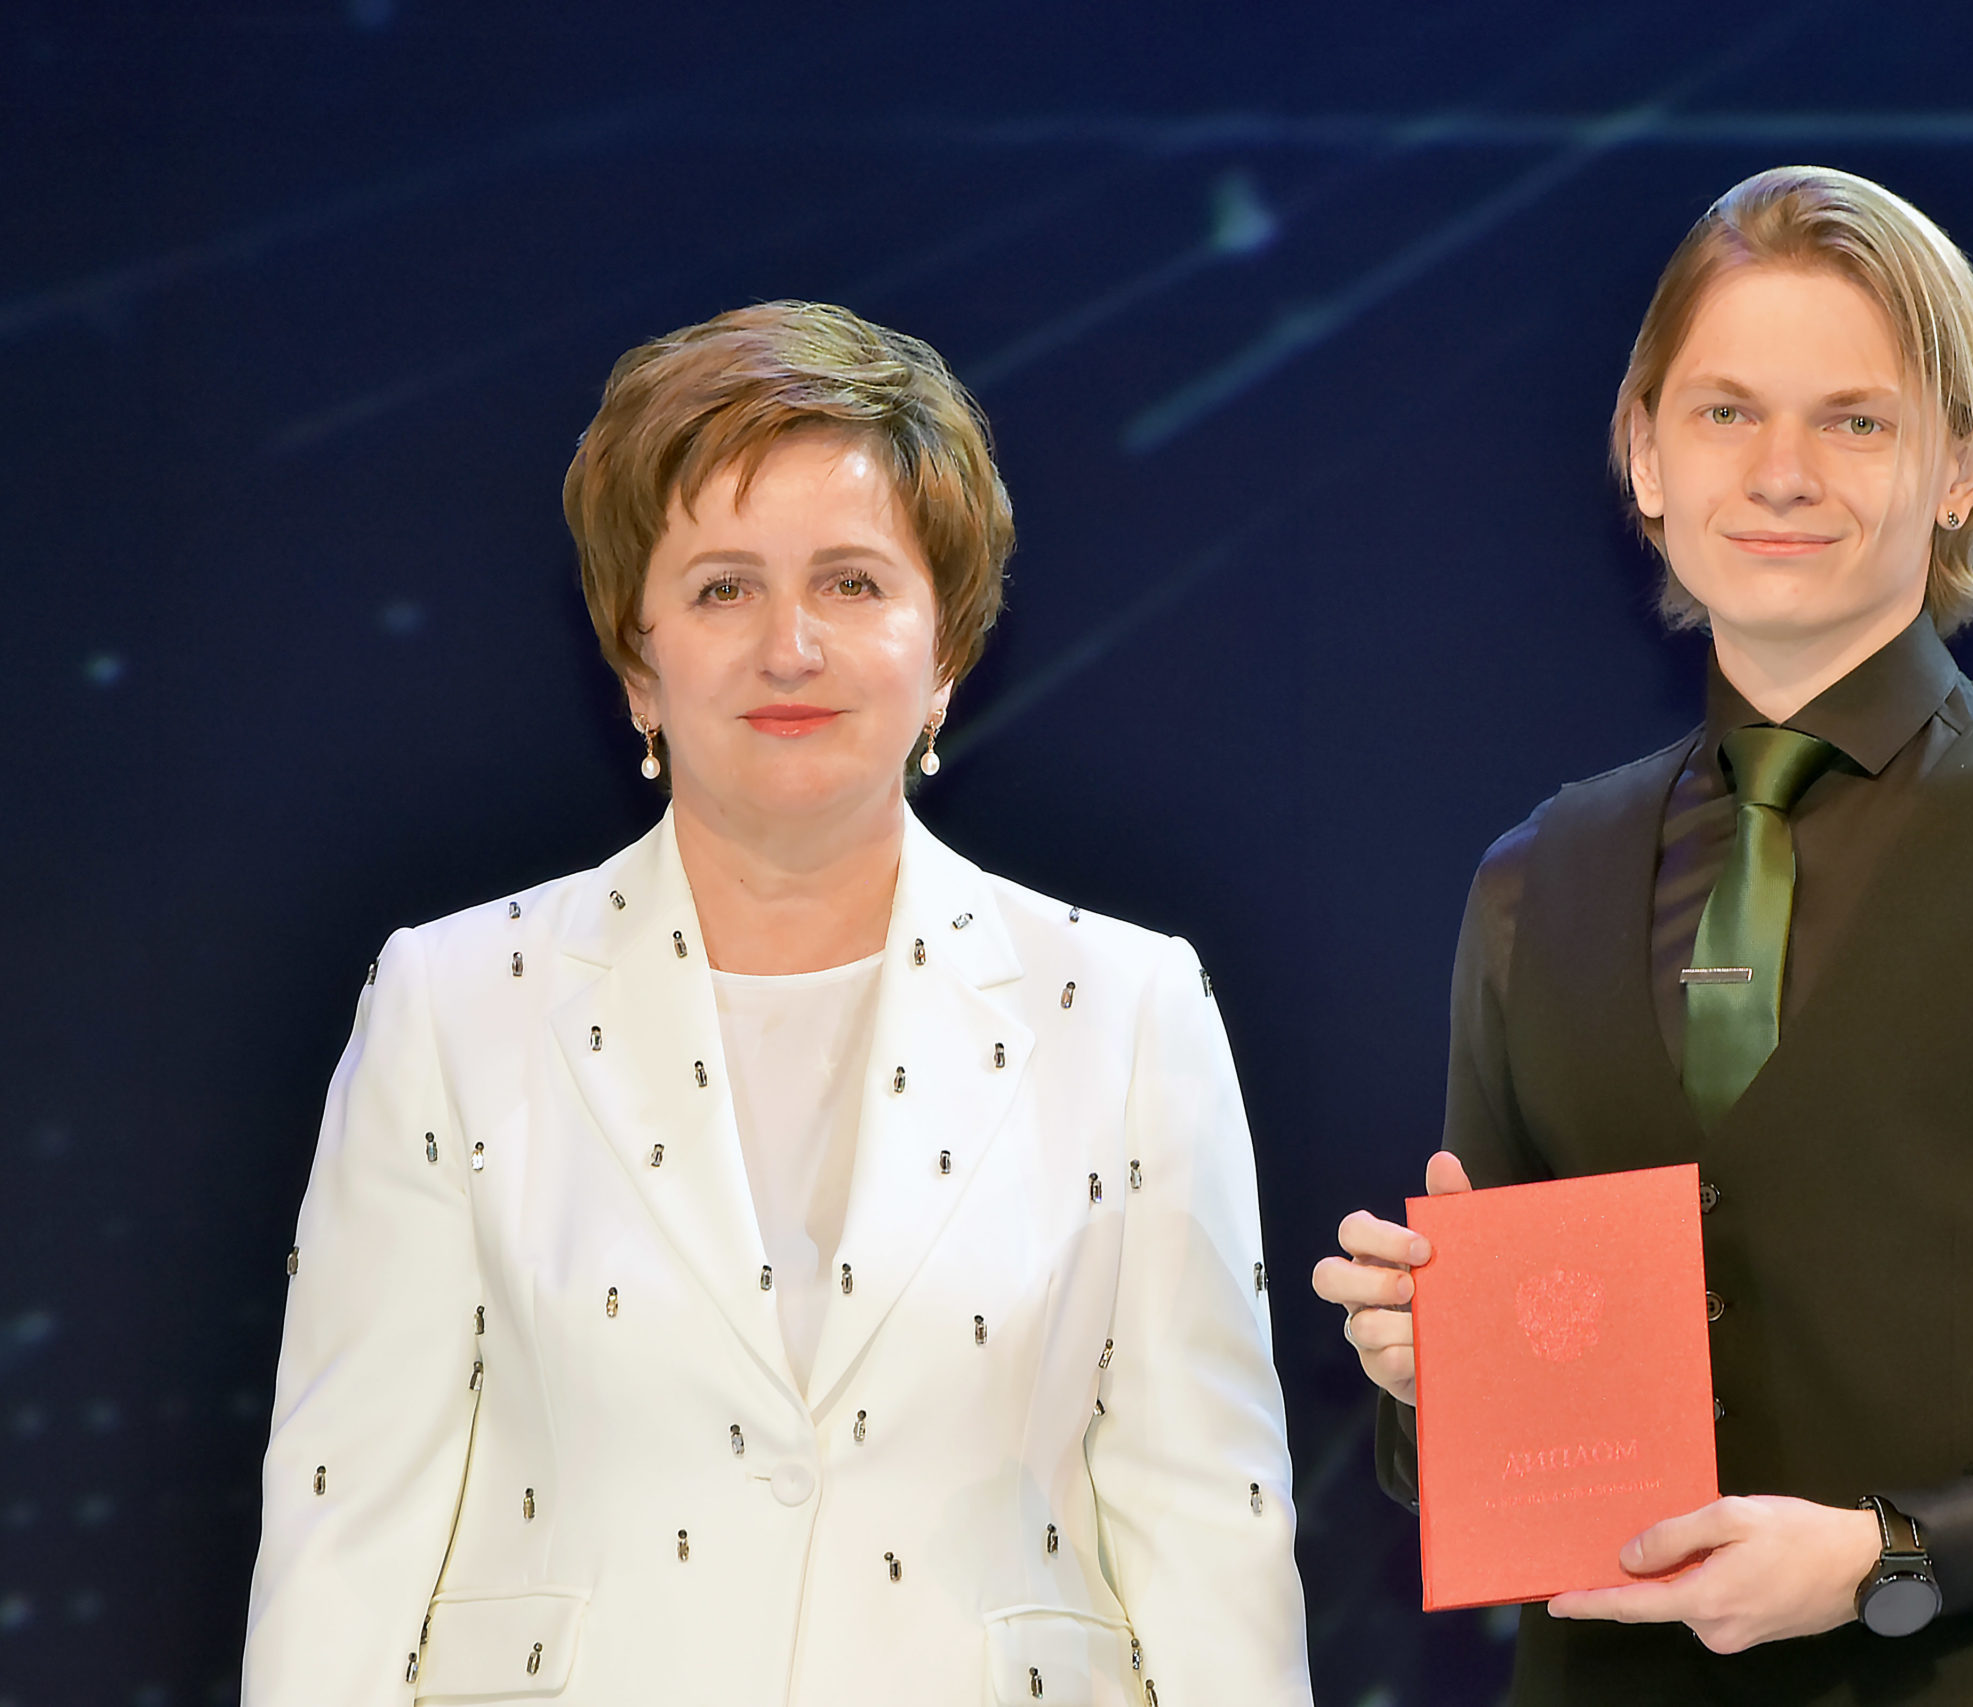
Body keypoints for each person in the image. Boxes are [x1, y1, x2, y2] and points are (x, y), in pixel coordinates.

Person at [1312, 167, 1973, 1705]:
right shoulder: (1535, 882)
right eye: (1726, 413)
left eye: (1854, 419)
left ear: (1961, 463)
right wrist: (1437, 1377)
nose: (1781, 472)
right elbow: (1491, 1482)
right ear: (1643, 453)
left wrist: (1893, 1560)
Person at [245, 302, 1312, 1705]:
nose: (789, 646)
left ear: (947, 656)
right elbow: (346, 1528)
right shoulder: (452, 1005)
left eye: (854, 584)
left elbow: (1207, 1530)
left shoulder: (1122, 1006)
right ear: (639, 662)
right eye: (723, 587)